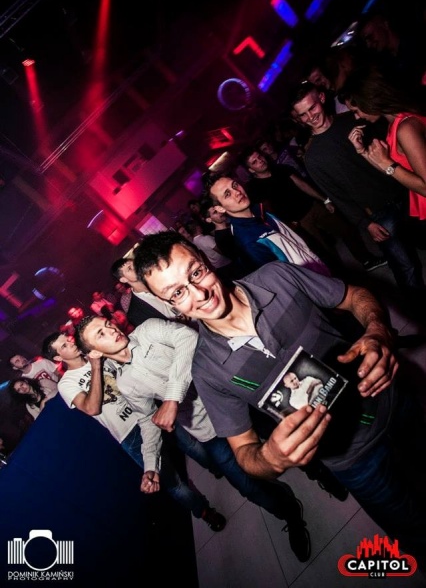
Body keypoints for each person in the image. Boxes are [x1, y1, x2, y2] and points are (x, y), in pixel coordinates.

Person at [133, 230, 426, 563]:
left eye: (196, 273)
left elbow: (354, 296)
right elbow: (244, 451)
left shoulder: (277, 277)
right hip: (351, 460)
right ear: (171, 307)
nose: (199, 294)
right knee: (415, 531)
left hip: (392, 401)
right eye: (178, 292)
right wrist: (271, 458)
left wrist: (377, 330)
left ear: (205, 261)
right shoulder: (207, 370)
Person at [75, 315, 313, 563]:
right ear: (94, 354)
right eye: (100, 334)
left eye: (107, 324)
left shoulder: (148, 330)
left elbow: (189, 338)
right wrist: (150, 465)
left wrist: (172, 398)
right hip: (208, 428)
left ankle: (321, 473)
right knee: (248, 487)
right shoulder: (125, 384)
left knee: (295, 436)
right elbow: (147, 420)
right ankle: (291, 513)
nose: (111, 329)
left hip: (235, 399)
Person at [42, 330, 227, 533]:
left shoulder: (98, 351)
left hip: (149, 411)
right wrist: (95, 366)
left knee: (189, 444)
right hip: (129, 433)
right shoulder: (67, 383)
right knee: (171, 481)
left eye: (68, 339)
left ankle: (219, 467)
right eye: (64, 345)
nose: (71, 343)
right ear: (58, 358)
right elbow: (91, 408)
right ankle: (204, 511)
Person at [289, 81, 425, 310]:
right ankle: (420, 312)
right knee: (406, 266)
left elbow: (391, 150)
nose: (310, 117)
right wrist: (365, 223)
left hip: (405, 191)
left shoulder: (352, 120)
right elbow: (337, 196)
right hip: (379, 213)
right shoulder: (313, 157)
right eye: (303, 114)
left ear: (321, 98)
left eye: (312, 108)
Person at [240, 144, 386, 273]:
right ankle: (342, 278)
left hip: (313, 207)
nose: (260, 161)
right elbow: (268, 211)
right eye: (255, 162)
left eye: (259, 157)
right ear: (251, 169)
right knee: (323, 251)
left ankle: (367, 260)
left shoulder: (281, 169)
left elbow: (302, 184)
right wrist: (287, 225)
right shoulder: (254, 188)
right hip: (299, 222)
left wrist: (324, 200)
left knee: (346, 230)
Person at [341, 67, 426, 243]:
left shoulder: (405, 128)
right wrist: (363, 152)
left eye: (356, 110)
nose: (357, 117)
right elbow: (394, 169)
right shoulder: (394, 125)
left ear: (369, 100)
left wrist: (387, 164)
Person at [202, 170, 330, 276]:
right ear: (220, 208)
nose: (237, 192)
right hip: (314, 284)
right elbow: (283, 279)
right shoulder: (249, 241)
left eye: (235, 185)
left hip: (320, 267)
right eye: (227, 194)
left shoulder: (260, 210)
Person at [111, 256, 185, 327]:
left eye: (135, 264)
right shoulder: (135, 313)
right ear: (123, 279)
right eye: (129, 268)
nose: (136, 267)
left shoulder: (161, 280)